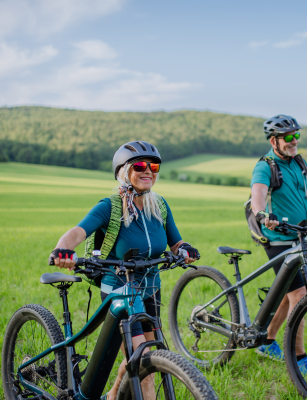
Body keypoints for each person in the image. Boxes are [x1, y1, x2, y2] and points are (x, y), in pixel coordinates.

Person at [48, 141, 200, 400]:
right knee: (145, 364)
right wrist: (62, 249)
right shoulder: (110, 206)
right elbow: (77, 232)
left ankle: (112, 395)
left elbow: (175, 242)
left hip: (150, 288)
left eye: (154, 166)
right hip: (118, 289)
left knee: (144, 353)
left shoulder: (159, 206)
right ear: (123, 171)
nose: (148, 171)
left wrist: (184, 249)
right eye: (140, 165)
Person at [251, 115, 307, 379]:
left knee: (289, 294)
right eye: (288, 137)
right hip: (277, 239)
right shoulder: (265, 166)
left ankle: (267, 341)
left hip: (299, 237)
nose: (294, 141)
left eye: (296, 135)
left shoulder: (300, 163)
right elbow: (257, 195)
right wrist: (260, 214)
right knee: (300, 293)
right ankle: (298, 357)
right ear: (274, 141)